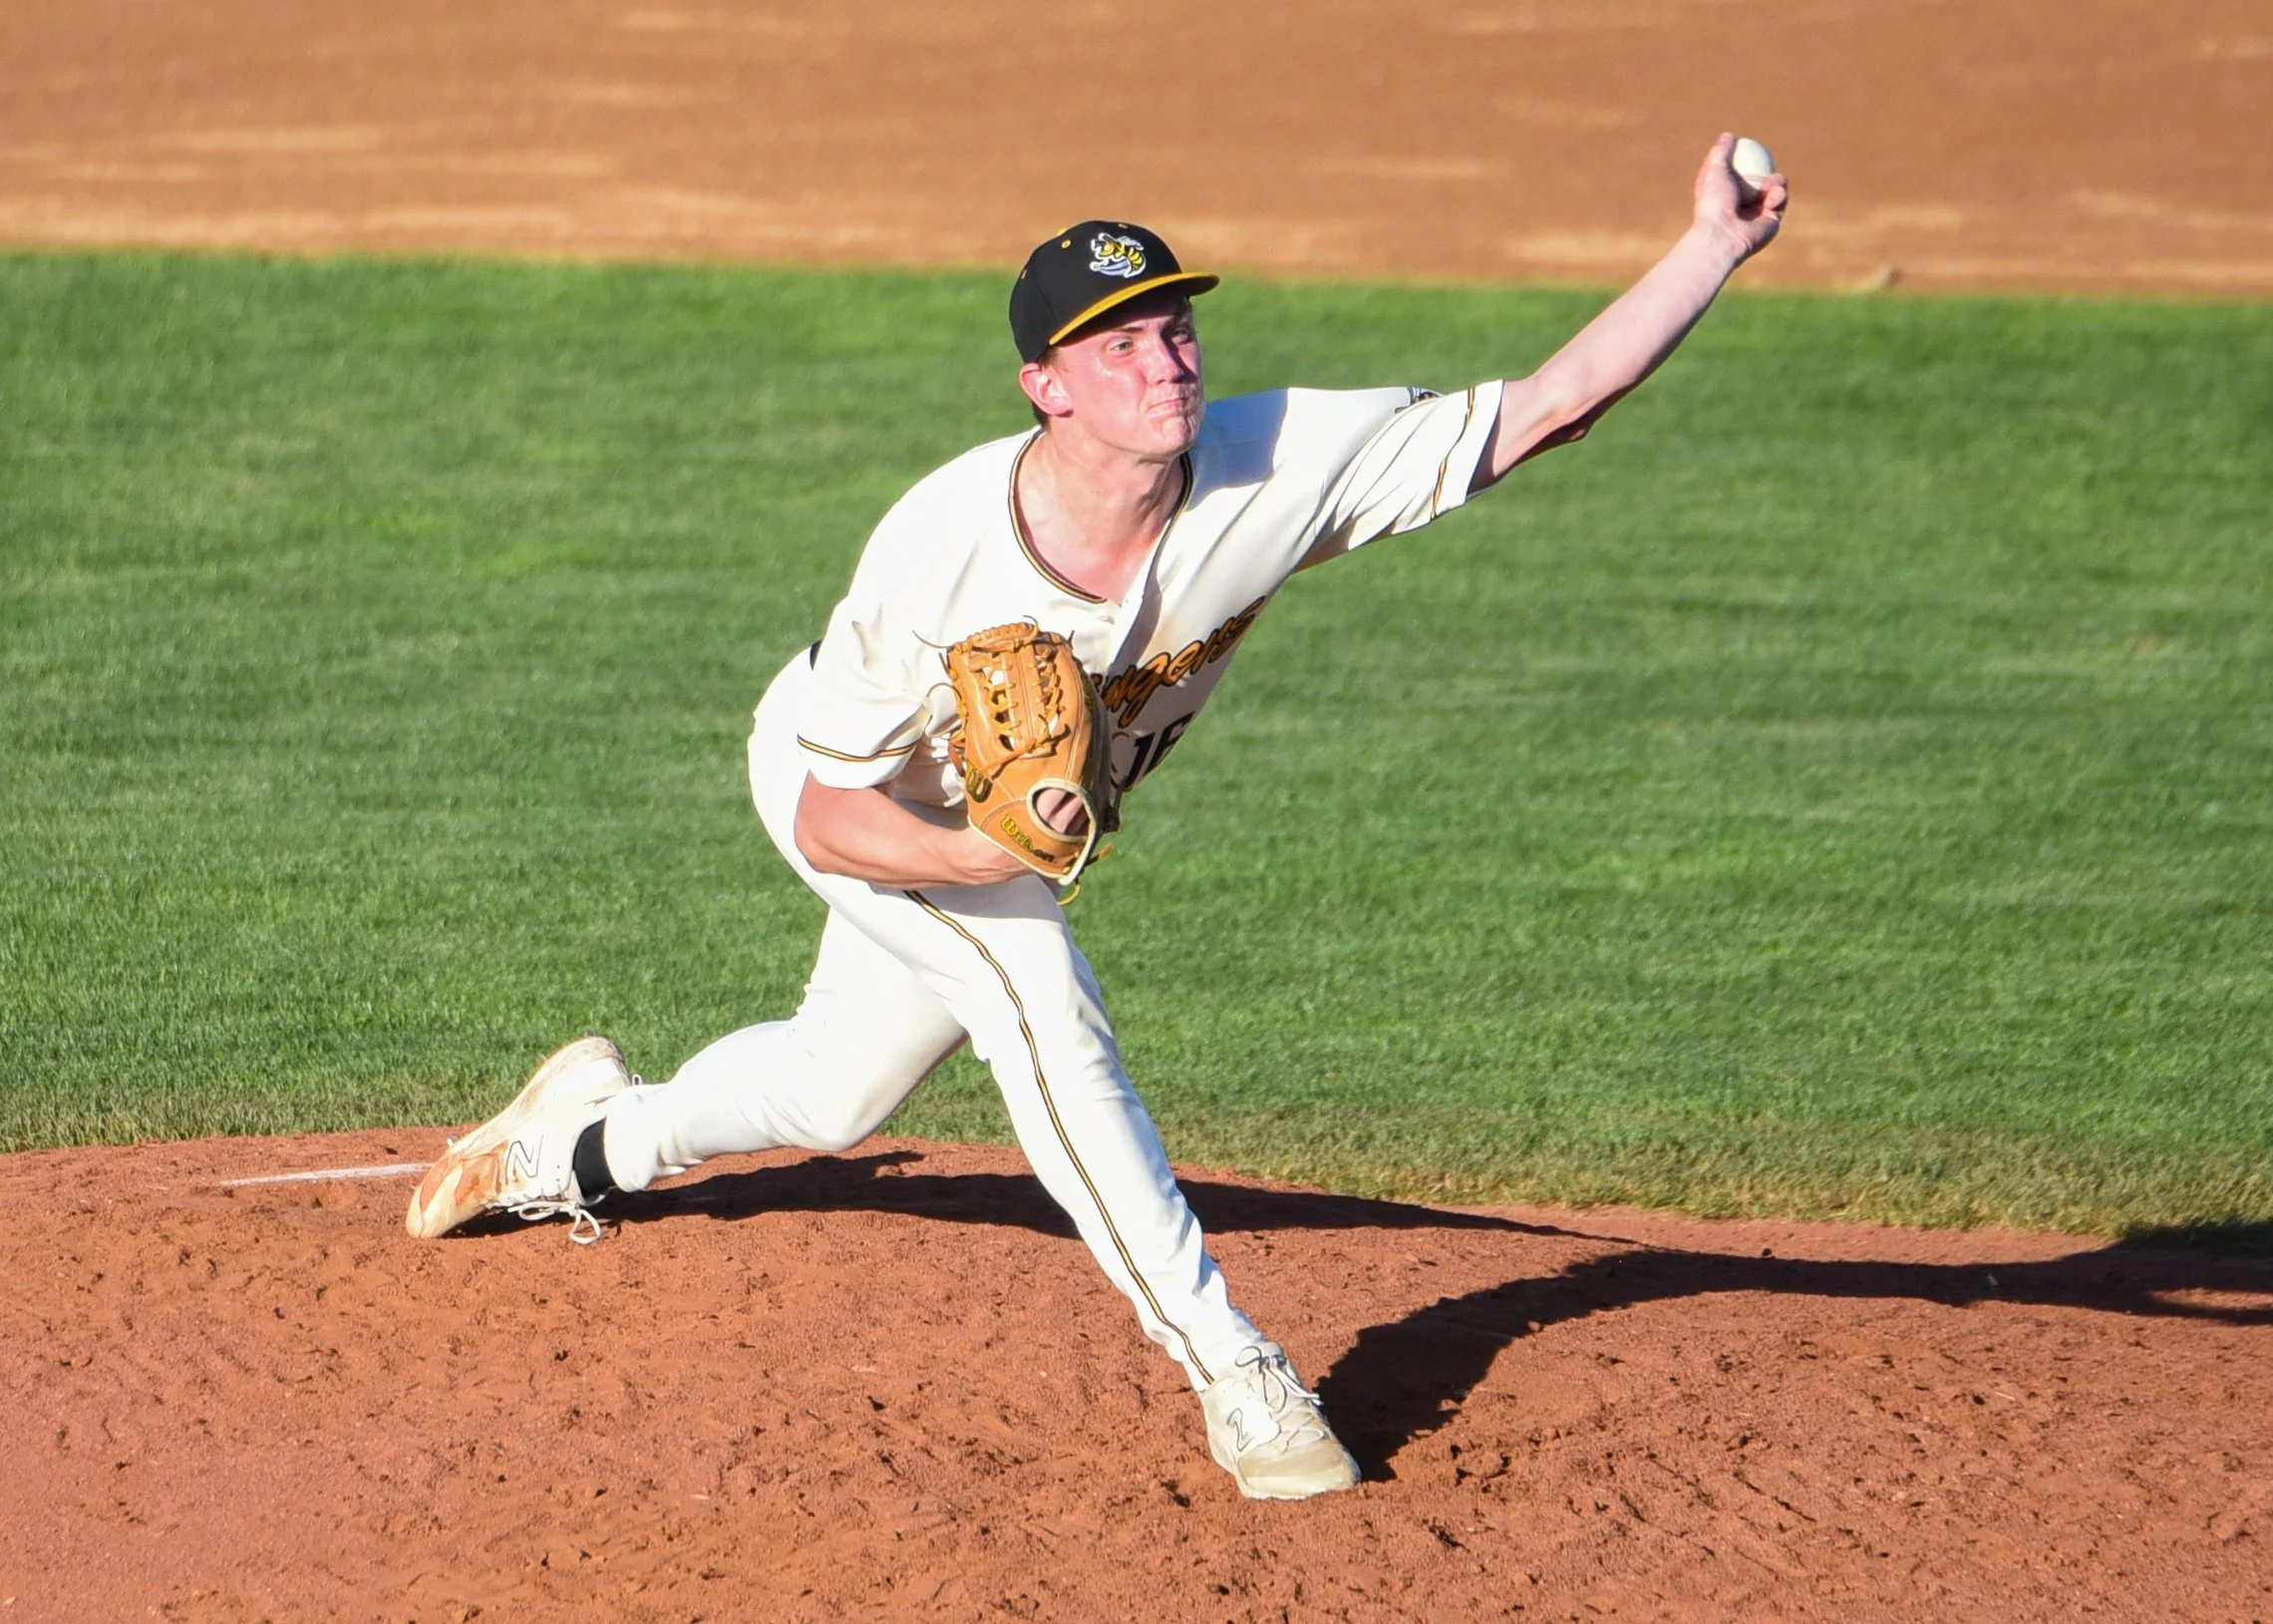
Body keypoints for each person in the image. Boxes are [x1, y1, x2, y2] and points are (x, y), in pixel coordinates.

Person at [407, 137, 1787, 1500]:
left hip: (989, 832)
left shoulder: (1280, 461)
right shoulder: (934, 557)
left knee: (837, 1095)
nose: (1166, 362)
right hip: (868, 802)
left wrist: (1714, 244)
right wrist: (977, 856)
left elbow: (1548, 405)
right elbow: (829, 816)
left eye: (1174, 329)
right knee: (1042, 999)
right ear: (1046, 389)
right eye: (1119, 346)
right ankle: (1234, 1372)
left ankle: (578, 1139)